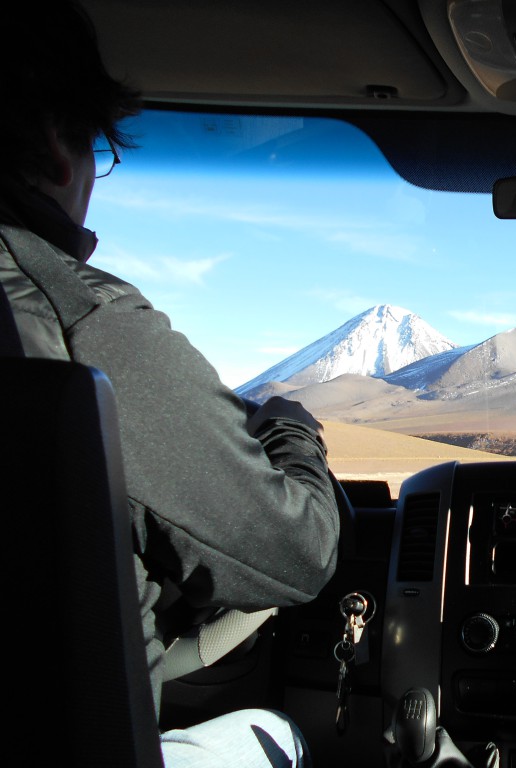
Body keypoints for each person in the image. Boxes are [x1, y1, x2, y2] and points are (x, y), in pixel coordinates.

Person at [0, 3, 340, 766]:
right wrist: (292, 431)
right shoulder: (76, 317)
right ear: (60, 142)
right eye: (97, 150)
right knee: (279, 736)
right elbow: (298, 549)